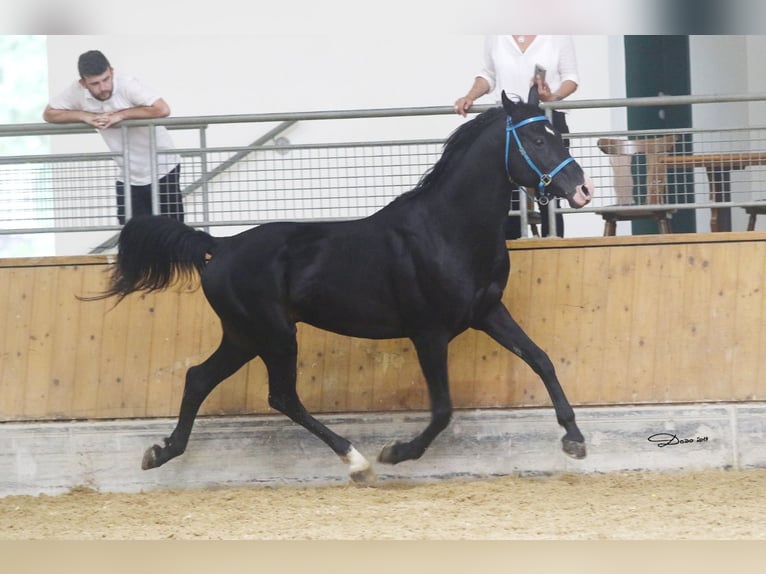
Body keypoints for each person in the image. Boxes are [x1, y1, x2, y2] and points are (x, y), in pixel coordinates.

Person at [454, 35, 579, 238]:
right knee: (505, 190)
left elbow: (571, 78)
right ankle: (509, 246)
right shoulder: (496, 35)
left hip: (545, 120)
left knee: (550, 188)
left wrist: (551, 97)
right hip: (509, 122)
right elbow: (487, 75)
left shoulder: (557, 34)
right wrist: (470, 97)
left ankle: (553, 244)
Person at [44, 50, 183, 224]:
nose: (103, 88)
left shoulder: (127, 84)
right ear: (83, 83)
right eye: (95, 83)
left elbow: (162, 109)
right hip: (128, 174)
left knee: (171, 231)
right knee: (132, 234)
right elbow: (49, 113)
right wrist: (84, 116)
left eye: (106, 79)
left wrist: (121, 115)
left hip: (163, 168)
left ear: (112, 72)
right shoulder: (77, 91)